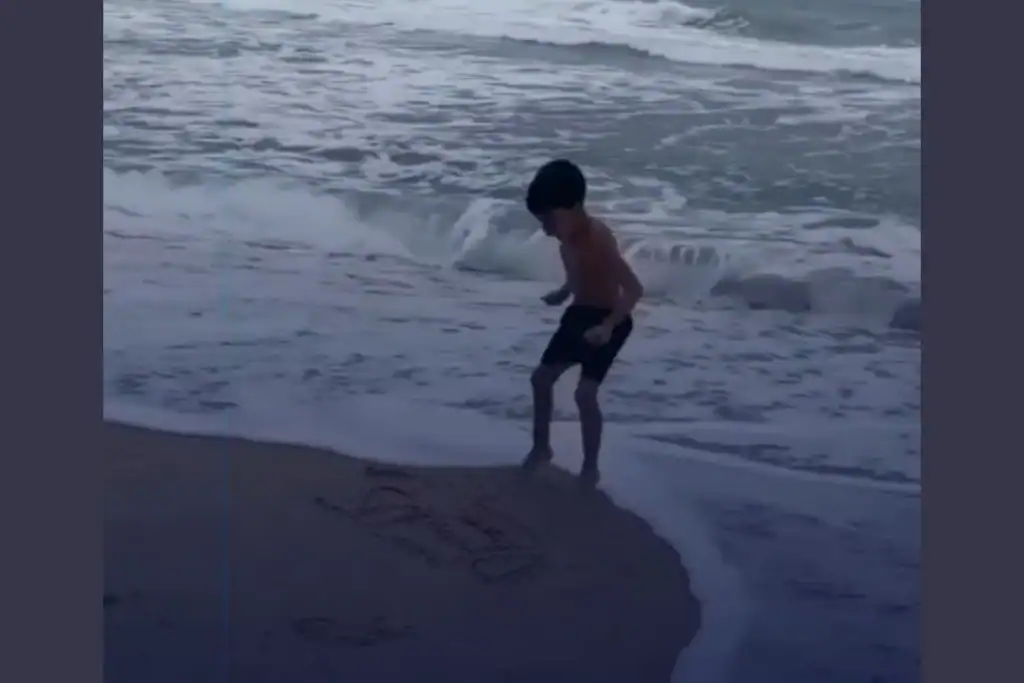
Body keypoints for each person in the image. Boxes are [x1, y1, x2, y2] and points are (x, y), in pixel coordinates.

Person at [521, 159, 645, 487]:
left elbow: (634, 290)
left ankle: (590, 470)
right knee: (540, 379)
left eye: (549, 218)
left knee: (584, 394)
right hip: (579, 314)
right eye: (541, 220)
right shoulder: (567, 238)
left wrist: (607, 327)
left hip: (610, 318)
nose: (545, 228)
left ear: (574, 207)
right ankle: (541, 449)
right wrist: (563, 292)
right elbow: (578, 276)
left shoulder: (599, 238)